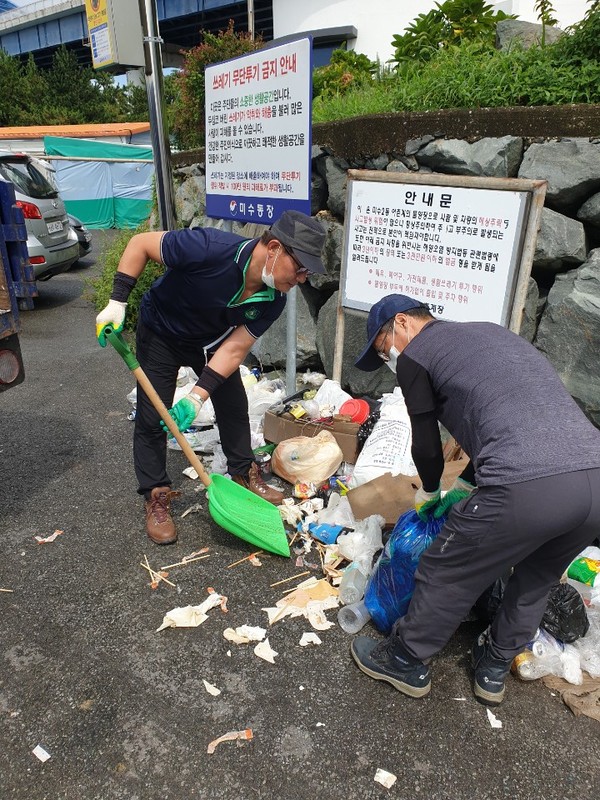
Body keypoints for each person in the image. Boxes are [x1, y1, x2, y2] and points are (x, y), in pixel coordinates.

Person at [352, 293, 600, 705]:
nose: (388, 359)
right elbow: (498, 424)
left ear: (402, 323)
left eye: (383, 348)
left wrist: (430, 491)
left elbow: (428, 445)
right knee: (536, 578)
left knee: (447, 565)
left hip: (529, 484)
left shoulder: (419, 354)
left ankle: (405, 658)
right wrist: (463, 489)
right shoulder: (489, 336)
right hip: (593, 477)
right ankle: (493, 670)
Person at [95, 210, 326, 545]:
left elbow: (235, 349)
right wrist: (117, 302)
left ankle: (243, 475)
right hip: (161, 331)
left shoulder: (274, 298)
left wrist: (196, 396)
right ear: (274, 248)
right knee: (152, 414)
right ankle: (156, 493)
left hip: (210, 341)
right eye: (301, 267)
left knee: (233, 402)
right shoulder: (208, 247)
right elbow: (140, 244)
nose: (303, 278)